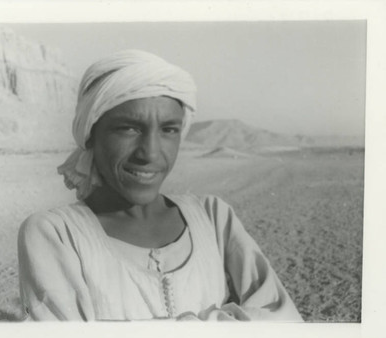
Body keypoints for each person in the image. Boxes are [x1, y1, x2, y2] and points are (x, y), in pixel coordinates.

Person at [18, 49, 302, 321]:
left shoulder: (213, 217)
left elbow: (281, 317)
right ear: (91, 135)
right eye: (128, 128)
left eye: (168, 130)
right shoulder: (57, 234)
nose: (150, 154)